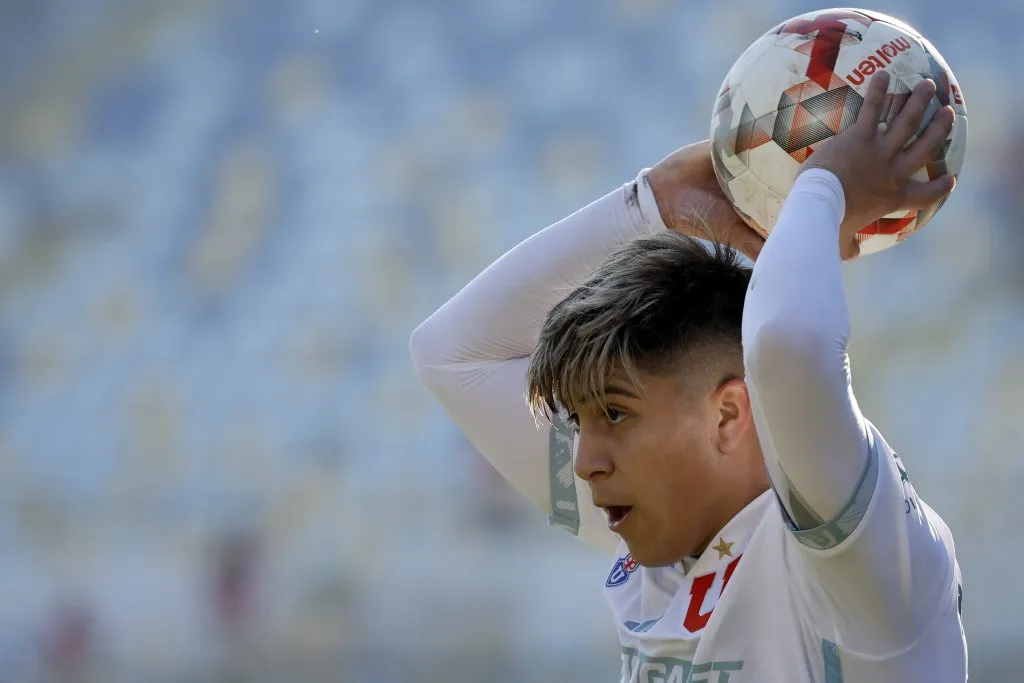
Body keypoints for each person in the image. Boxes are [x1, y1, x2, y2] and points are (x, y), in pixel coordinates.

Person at [410, 71, 967, 682]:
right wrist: (650, 203)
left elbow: (791, 344)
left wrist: (824, 186)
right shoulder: (666, 540)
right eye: (579, 420)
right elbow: (449, 354)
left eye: (615, 413)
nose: (583, 461)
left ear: (727, 416)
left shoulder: (856, 556)